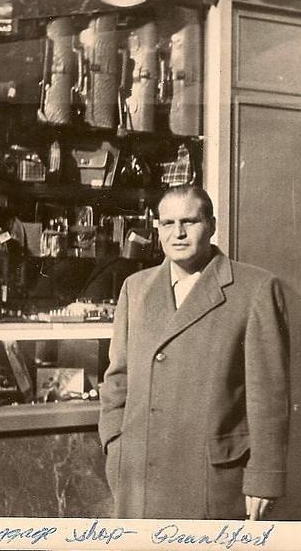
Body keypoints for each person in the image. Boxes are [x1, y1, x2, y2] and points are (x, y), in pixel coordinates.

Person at [98, 184, 289, 520]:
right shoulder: (136, 288)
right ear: (157, 229)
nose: (178, 233)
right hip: (139, 475)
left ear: (212, 226)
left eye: (190, 221)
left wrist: (264, 478)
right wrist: (115, 444)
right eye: (167, 223)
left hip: (211, 478)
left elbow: (270, 395)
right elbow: (118, 378)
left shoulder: (255, 288)